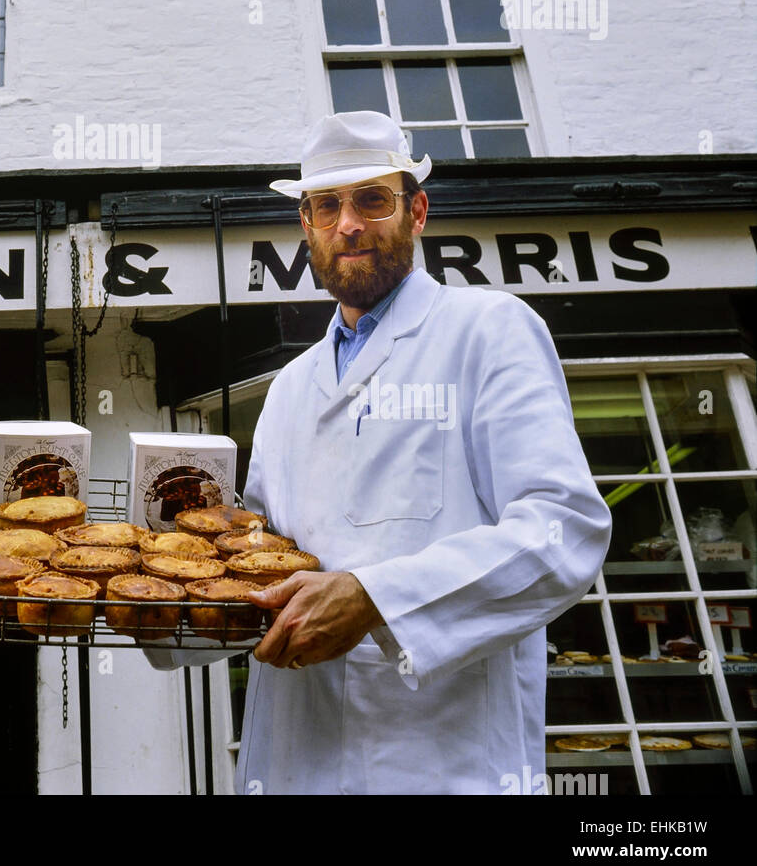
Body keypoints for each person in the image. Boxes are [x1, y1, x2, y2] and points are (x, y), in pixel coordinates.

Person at [145, 110, 611, 794]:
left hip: (445, 765)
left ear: (417, 211)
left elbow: (562, 530)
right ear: (305, 225)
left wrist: (376, 598)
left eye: (372, 199)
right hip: (298, 761)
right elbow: (256, 574)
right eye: (325, 205)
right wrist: (141, 599)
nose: (349, 224)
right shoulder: (289, 390)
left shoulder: (488, 331)